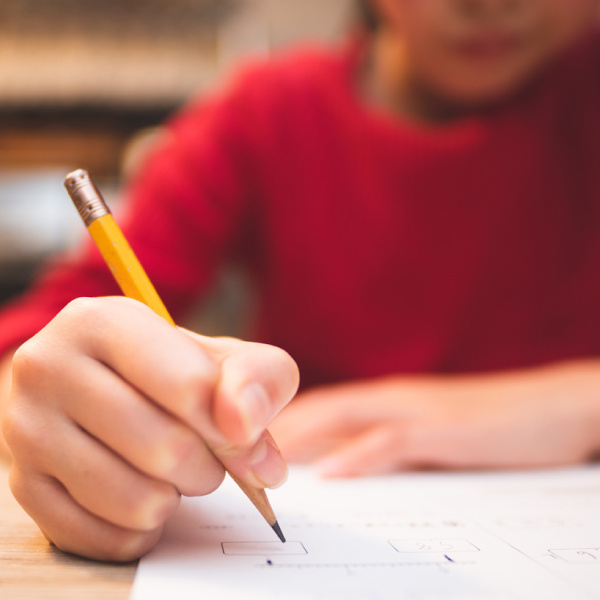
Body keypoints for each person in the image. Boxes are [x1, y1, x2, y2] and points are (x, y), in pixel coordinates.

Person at [2, 0, 600, 561]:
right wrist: (55, 406)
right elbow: (25, 358)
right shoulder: (269, 112)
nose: (491, 4)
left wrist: (579, 402)